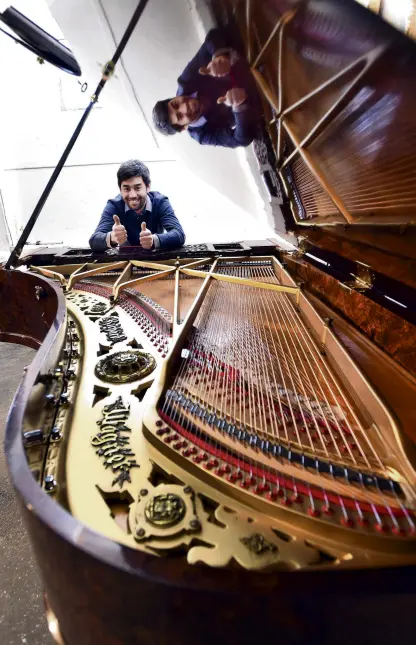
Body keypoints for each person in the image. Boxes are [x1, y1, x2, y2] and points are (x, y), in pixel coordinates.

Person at [152, 27, 260, 148]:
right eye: (180, 116)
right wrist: (239, 106)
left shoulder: (185, 82)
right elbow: (241, 139)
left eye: (176, 104)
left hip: (252, 53)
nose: (184, 107)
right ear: (184, 127)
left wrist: (219, 56)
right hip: (260, 96)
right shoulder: (202, 134)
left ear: (174, 98)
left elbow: (212, 36)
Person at [89, 160, 185, 252]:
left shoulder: (160, 202)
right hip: (124, 260)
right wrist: (112, 237)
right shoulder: (114, 206)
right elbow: (94, 241)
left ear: (148, 187)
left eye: (137, 188)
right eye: (126, 189)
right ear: (120, 190)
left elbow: (179, 235)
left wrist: (153, 240)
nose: (132, 195)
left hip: (155, 258)